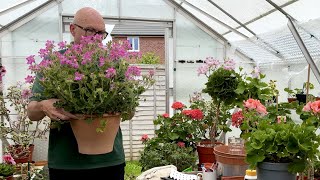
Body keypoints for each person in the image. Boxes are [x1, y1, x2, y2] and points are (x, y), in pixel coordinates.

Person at [27, 7, 126, 180]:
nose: (96, 38)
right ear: (73, 29)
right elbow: (32, 112)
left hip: (110, 160)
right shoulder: (53, 62)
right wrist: (43, 105)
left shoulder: (113, 62)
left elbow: (128, 111)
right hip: (67, 163)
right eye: (90, 30)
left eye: (101, 33)